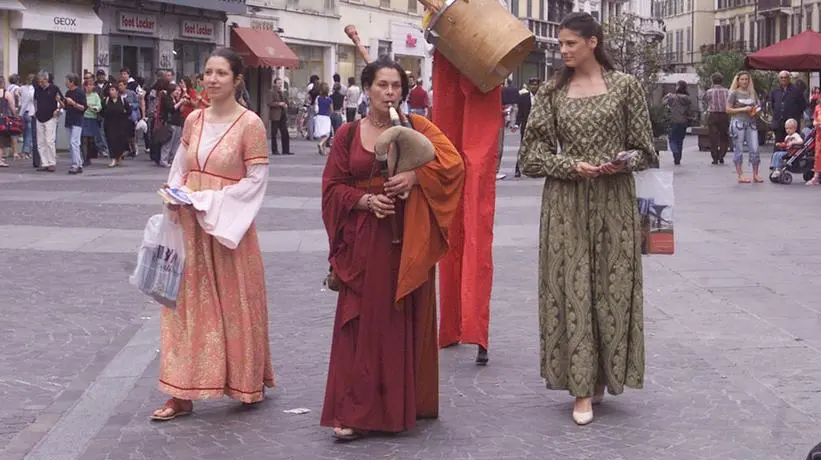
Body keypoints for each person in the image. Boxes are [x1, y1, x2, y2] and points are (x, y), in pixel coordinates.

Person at [518, 12, 657, 426]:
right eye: (560, 45)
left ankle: (600, 376)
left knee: (611, 289)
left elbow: (646, 150)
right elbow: (530, 157)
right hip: (567, 203)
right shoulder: (550, 93)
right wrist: (570, 166)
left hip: (615, 201)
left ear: (593, 42)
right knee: (574, 287)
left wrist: (619, 163)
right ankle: (580, 389)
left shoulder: (626, 87)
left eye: (569, 44)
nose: (562, 51)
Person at [320, 56, 465, 441]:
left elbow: (453, 165)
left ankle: (396, 408)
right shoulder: (347, 134)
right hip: (362, 239)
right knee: (360, 323)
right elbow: (332, 186)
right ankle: (354, 410)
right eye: (382, 85)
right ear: (366, 88)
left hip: (404, 236)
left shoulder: (416, 126)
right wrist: (364, 202)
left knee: (395, 322)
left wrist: (416, 177)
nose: (389, 92)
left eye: (396, 86)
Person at [151, 47, 274, 421]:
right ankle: (180, 391)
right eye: (207, 72)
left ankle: (245, 382)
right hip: (190, 225)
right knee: (184, 308)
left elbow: (256, 181)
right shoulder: (194, 120)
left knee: (236, 306)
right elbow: (180, 164)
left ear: (237, 79)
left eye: (221, 73)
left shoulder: (250, 124)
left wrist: (209, 202)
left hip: (226, 227)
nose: (212, 79)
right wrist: (175, 192)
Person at [429, 11, 501, 366]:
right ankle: (457, 323)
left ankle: (471, 324)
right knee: (458, 201)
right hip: (460, 50)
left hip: (481, 51)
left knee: (475, 208)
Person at [727, 71, 762, 184]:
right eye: (742, 79)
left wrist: (755, 110)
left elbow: (758, 105)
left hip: (751, 123)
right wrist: (743, 109)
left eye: (746, 79)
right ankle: (740, 174)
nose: (744, 81)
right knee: (739, 148)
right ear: (738, 81)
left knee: (755, 148)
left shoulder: (752, 93)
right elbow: (728, 109)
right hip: (738, 123)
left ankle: (755, 174)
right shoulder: (734, 93)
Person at [662, 80, 694, 165]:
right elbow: (690, 111)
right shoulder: (688, 98)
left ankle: (675, 152)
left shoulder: (672, 97)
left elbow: (663, 103)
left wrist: (666, 96)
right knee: (680, 140)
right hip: (684, 121)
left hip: (673, 120)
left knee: (672, 139)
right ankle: (678, 158)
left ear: (678, 87)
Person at [100, 84, 131, 167]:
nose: (111, 92)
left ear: (117, 91)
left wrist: (124, 117)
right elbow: (101, 111)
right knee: (111, 141)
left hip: (121, 124)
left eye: (113, 90)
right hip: (109, 124)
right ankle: (113, 158)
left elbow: (129, 111)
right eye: (110, 90)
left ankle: (118, 157)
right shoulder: (106, 100)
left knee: (120, 141)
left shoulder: (122, 100)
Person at [702, 72, 730, 165]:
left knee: (713, 137)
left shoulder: (709, 91)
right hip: (724, 115)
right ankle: (721, 155)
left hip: (713, 115)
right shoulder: (727, 91)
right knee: (724, 136)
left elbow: (704, 100)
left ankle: (714, 157)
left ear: (712, 81)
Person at [63, 73, 87, 175]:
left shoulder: (80, 92)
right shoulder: (68, 92)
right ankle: (78, 163)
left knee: (74, 143)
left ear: (72, 82)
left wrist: (73, 103)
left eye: (67, 80)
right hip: (69, 119)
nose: (65, 82)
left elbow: (83, 108)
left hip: (77, 120)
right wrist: (60, 101)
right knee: (71, 144)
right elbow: (65, 107)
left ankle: (76, 164)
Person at [267, 77, 290, 155]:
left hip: (282, 114)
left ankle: (286, 150)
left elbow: (286, 101)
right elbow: (269, 103)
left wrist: (286, 104)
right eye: (279, 83)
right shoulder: (271, 92)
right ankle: (275, 150)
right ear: (275, 84)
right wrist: (279, 104)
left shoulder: (282, 92)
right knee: (274, 133)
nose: (280, 85)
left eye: (281, 83)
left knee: (285, 133)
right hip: (275, 115)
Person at [315, 82, 333, 155]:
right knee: (327, 134)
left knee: (322, 134)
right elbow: (331, 110)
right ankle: (321, 143)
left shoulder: (318, 98)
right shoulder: (329, 99)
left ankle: (323, 149)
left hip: (319, 116)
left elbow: (316, 107)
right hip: (326, 117)